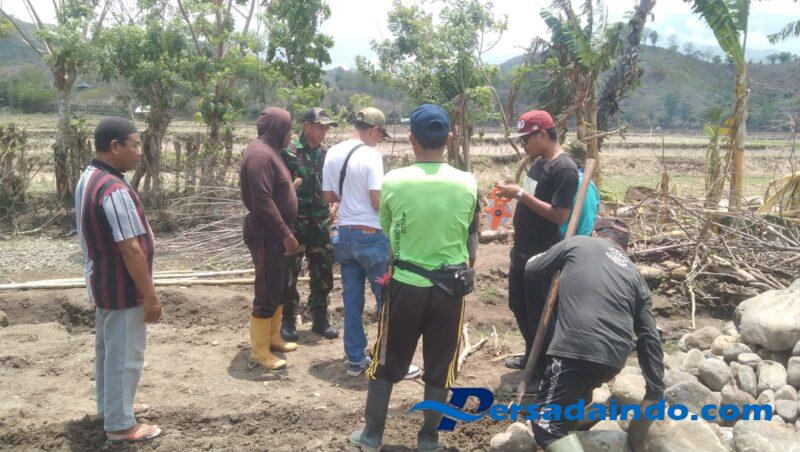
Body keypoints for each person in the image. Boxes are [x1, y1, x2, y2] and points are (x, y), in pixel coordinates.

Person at [349, 104, 479, 451]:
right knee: (440, 365)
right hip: (451, 289)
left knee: (387, 360)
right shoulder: (468, 182)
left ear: (411, 139)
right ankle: (429, 439)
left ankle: (372, 436)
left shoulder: (394, 181)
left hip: (406, 286)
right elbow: (470, 232)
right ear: (449, 138)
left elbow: (389, 229)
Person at [523, 217, 664, 450]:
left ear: (595, 233)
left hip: (575, 350)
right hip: (612, 360)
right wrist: (655, 389)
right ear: (625, 246)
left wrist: (556, 255)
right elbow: (649, 336)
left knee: (546, 424)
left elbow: (532, 268)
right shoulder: (636, 275)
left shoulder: (579, 243)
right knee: (568, 413)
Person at [75, 117, 162, 442]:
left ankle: (112, 406)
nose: (139, 152)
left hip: (104, 282)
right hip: (122, 288)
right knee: (126, 355)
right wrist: (149, 294)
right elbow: (130, 247)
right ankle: (121, 425)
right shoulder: (114, 189)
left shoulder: (90, 177)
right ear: (114, 146)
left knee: (110, 352)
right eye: (135, 145)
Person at [494, 110, 578, 374]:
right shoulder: (539, 162)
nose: (523, 145)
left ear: (542, 134)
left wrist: (520, 194)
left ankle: (545, 369)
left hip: (543, 252)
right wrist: (513, 194)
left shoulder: (564, 169)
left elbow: (559, 215)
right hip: (522, 249)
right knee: (518, 305)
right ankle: (533, 355)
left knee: (541, 313)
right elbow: (532, 198)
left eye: (525, 139)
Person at [240, 106, 300, 371]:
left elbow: (272, 191)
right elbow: (262, 201)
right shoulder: (260, 156)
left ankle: (273, 337)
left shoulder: (270, 151)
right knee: (266, 291)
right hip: (267, 235)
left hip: (276, 234)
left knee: (280, 287)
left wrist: (289, 190)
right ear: (278, 129)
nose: (291, 134)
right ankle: (259, 351)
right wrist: (285, 233)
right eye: (289, 129)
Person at [279, 108, 339, 341]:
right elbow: (278, 186)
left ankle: (320, 318)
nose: (324, 131)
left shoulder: (327, 154)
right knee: (289, 273)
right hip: (296, 223)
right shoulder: (289, 152)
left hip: (320, 223)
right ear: (306, 126)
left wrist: (335, 205)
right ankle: (287, 319)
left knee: (323, 271)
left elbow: (334, 185)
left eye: (326, 127)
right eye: (320, 126)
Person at [559, 140, 600, 238]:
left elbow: (587, 225)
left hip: (568, 244)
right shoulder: (564, 178)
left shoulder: (583, 184)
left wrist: (575, 246)